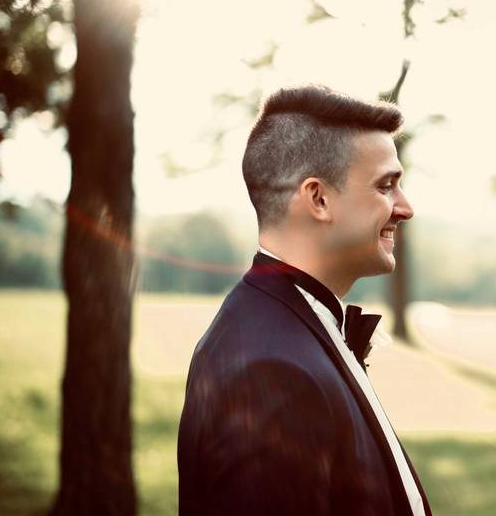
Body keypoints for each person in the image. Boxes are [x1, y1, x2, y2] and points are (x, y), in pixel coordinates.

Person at [178, 85, 432, 515]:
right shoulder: (268, 370)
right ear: (318, 198)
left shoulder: (291, 328)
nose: (405, 207)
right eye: (386, 186)